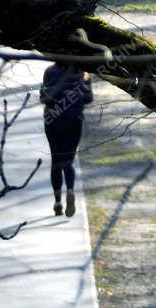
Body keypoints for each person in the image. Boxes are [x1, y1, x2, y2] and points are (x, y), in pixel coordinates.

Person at [40, 65, 93, 217]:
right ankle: (70, 190)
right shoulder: (83, 73)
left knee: (56, 159)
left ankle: (57, 202)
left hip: (53, 119)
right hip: (74, 119)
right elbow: (88, 99)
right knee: (68, 159)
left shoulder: (49, 72)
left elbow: (44, 98)